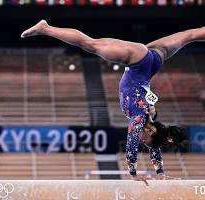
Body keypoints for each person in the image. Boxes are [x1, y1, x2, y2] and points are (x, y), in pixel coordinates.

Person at [21, 20, 202, 184]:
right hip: (137, 60)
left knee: (190, 36)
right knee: (90, 44)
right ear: (149, 130)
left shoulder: (150, 120)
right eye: (144, 138)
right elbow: (131, 143)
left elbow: (155, 144)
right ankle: (46, 28)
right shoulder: (139, 118)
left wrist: (160, 172)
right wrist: (132, 173)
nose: (141, 139)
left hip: (152, 62)